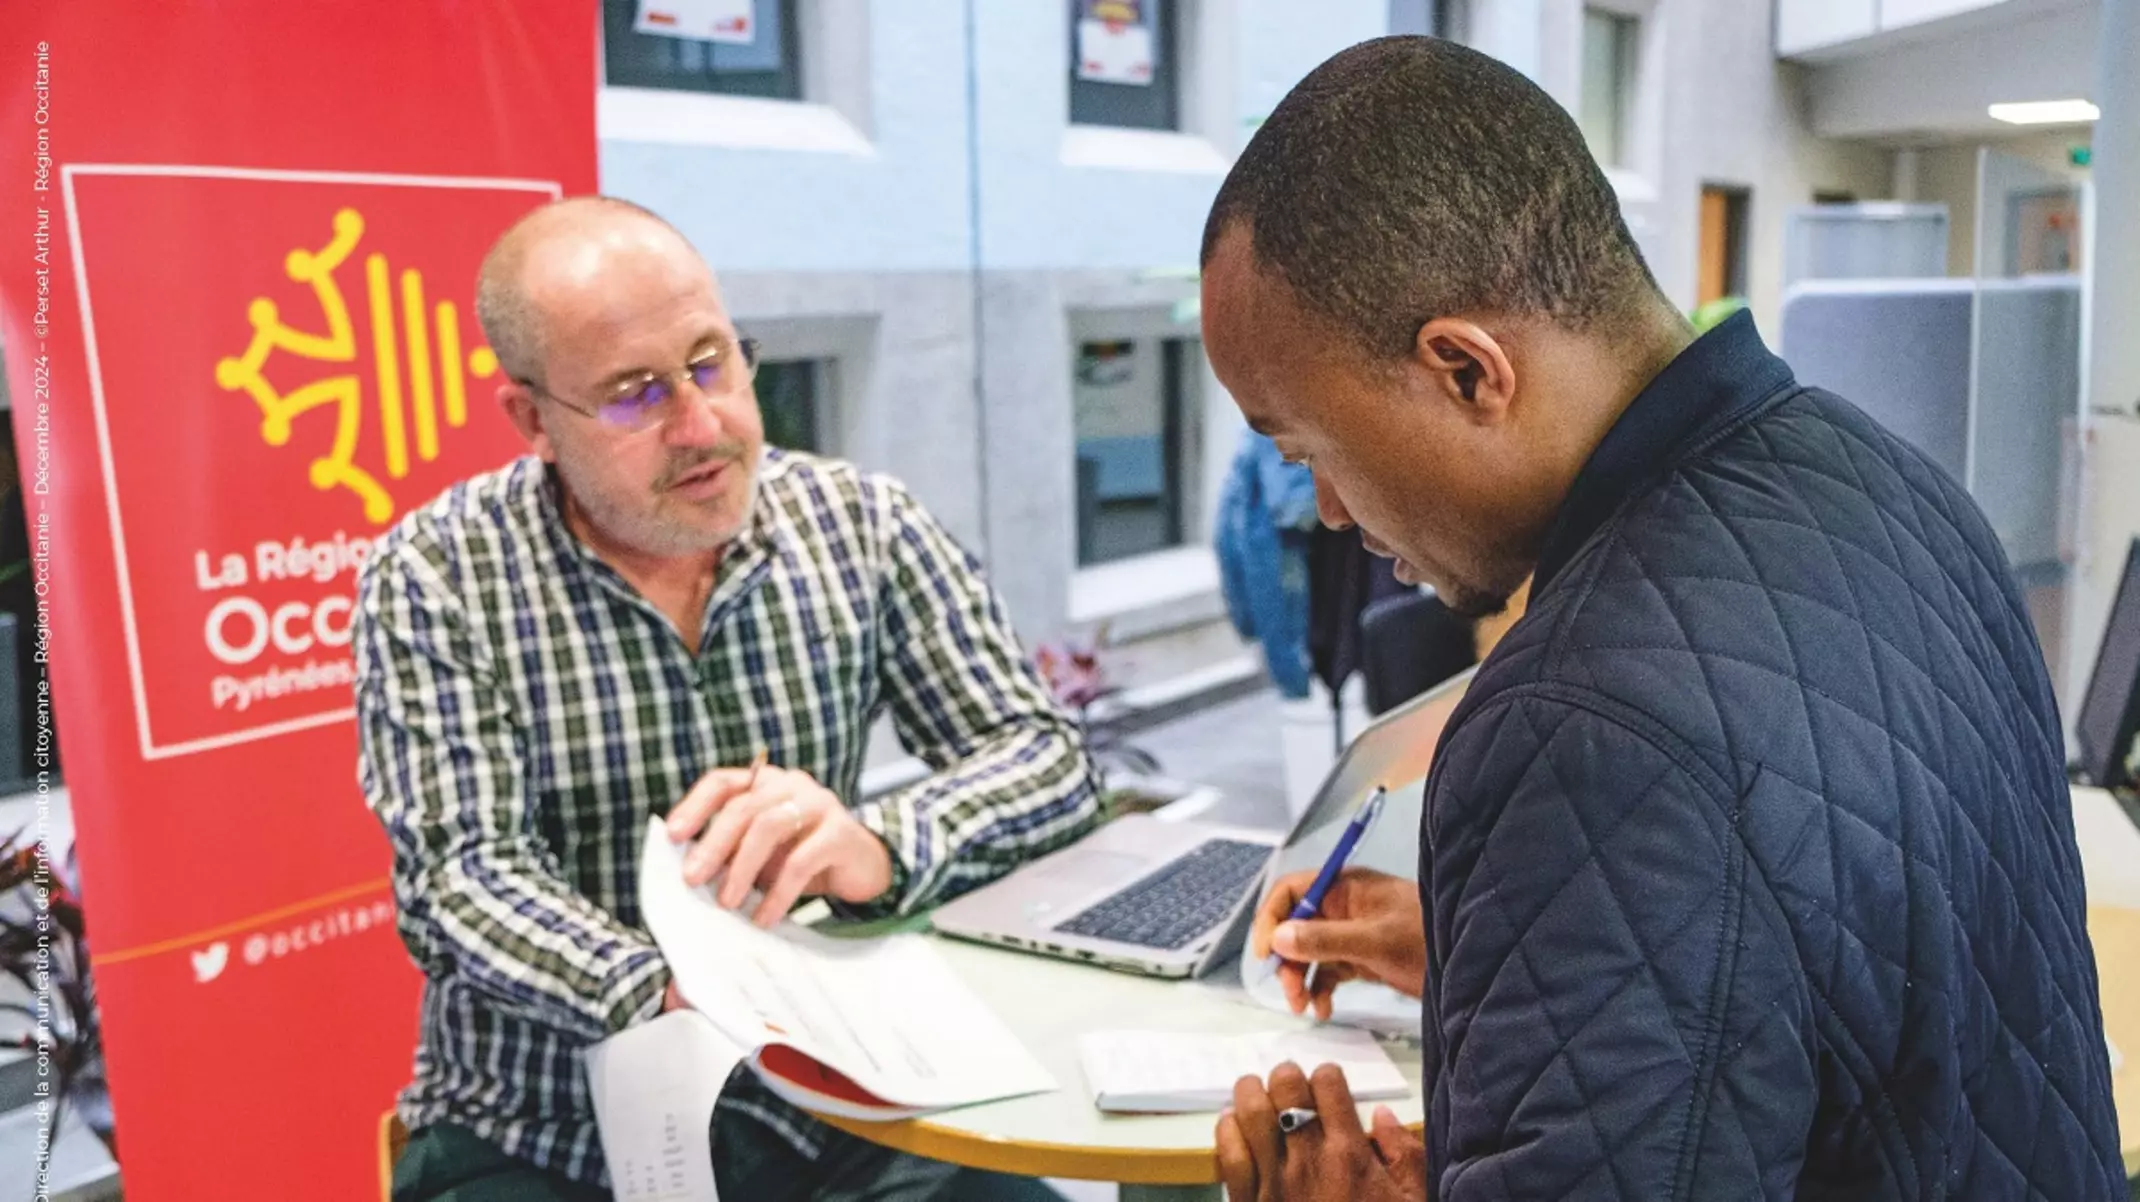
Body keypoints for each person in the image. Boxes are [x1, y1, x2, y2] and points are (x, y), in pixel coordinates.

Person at [1199, 36, 2122, 1202]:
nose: (1328, 510)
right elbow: (1858, 979)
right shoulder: (1898, 486)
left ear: (1468, 371)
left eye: (1306, 447)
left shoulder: (1580, 724)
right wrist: (1526, 975)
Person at [356, 196, 1100, 1201]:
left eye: (711, 362)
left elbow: (1047, 758)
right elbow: (460, 878)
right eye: (635, 396)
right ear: (534, 421)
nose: (701, 425)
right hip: (547, 1130)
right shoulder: (439, 574)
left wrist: (882, 845)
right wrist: (671, 988)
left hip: (838, 1111)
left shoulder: (859, 523)